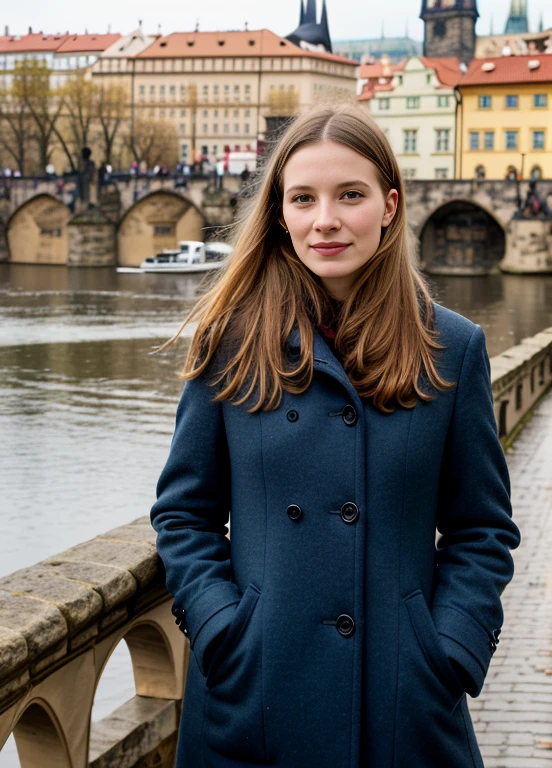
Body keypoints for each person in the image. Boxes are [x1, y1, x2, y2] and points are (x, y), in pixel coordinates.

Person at [150, 103, 521, 768]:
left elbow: (482, 529)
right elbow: (185, 513)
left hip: (403, 698)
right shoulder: (229, 340)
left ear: (389, 204)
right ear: (280, 212)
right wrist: (220, 631)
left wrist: (452, 649)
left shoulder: (453, 348)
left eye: (350, 195)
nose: (325, 220)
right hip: (255, 692)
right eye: (303, 198)